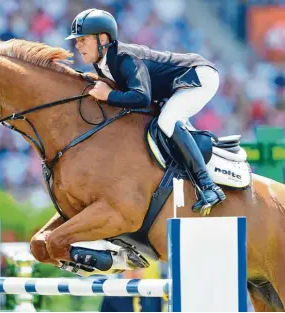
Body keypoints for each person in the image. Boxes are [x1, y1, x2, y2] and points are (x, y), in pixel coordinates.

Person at [65, 8, 225, 212]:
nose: (77, 46)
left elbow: (141, 97)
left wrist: (109, 96)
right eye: (77, 41)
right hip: (176, 85)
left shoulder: (125, 58)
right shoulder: (103, 63)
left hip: (198, 77)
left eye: (83, 40)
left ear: (102, 38)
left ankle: (209, 187)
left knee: (167, 121)